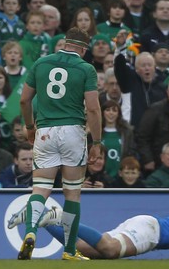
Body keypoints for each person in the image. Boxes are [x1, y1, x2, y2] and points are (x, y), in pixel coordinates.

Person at [18, 27, 102, 261]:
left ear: (64, 43)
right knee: (72, 193)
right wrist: (96, 141)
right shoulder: (86, 68)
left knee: (41, 189)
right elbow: (93, 108)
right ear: (84, 49)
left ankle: (30, 233)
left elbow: (24, 99)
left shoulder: (41, 63)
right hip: (73, 131)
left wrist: (29, 127)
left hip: (44, 131)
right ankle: (69, 250)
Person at [8, 204, 169, 260]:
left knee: (86, 251)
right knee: (110, 250)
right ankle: (60, 216)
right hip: (151, 232)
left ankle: (44, 220)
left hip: (146, 225)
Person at [114, 51, 167, 129]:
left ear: (154, 68)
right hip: (133, 132)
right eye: (143, 65)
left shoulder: (161, 88)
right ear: (136, 69)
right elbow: (119, 66)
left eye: (149, 65)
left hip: (156, 134)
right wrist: (122, 50)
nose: (147, 68)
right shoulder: (129, 83)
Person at [100, 100, 136, 179]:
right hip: (101, 177)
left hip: (120, 176)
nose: (111, 113)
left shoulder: (127, 132)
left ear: (118, 114)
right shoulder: (96, 132)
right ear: (102, 112)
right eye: (108, 110)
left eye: (114, 110)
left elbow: (131, 153)